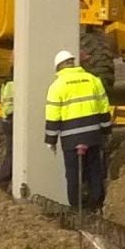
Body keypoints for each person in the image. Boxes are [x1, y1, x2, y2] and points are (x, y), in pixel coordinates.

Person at [44, 49, 112, 211]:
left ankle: (76, 208)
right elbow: (104, 108)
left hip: (71, 138)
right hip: (93, 134)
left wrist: (50, 141)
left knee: (73, 173)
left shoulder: (57, 86)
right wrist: (106, 131)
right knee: (94, 169)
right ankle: (97, 204)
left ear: (59, 68)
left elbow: (53, 116)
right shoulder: (93, 80)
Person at [0, 74, 14, 194]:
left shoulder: (7, 82)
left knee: (11, 152)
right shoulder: (11, 84)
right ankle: (4, 181)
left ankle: (4, 181)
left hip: (7, 121)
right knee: (11, 152)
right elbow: (9, 108)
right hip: (11, 121)